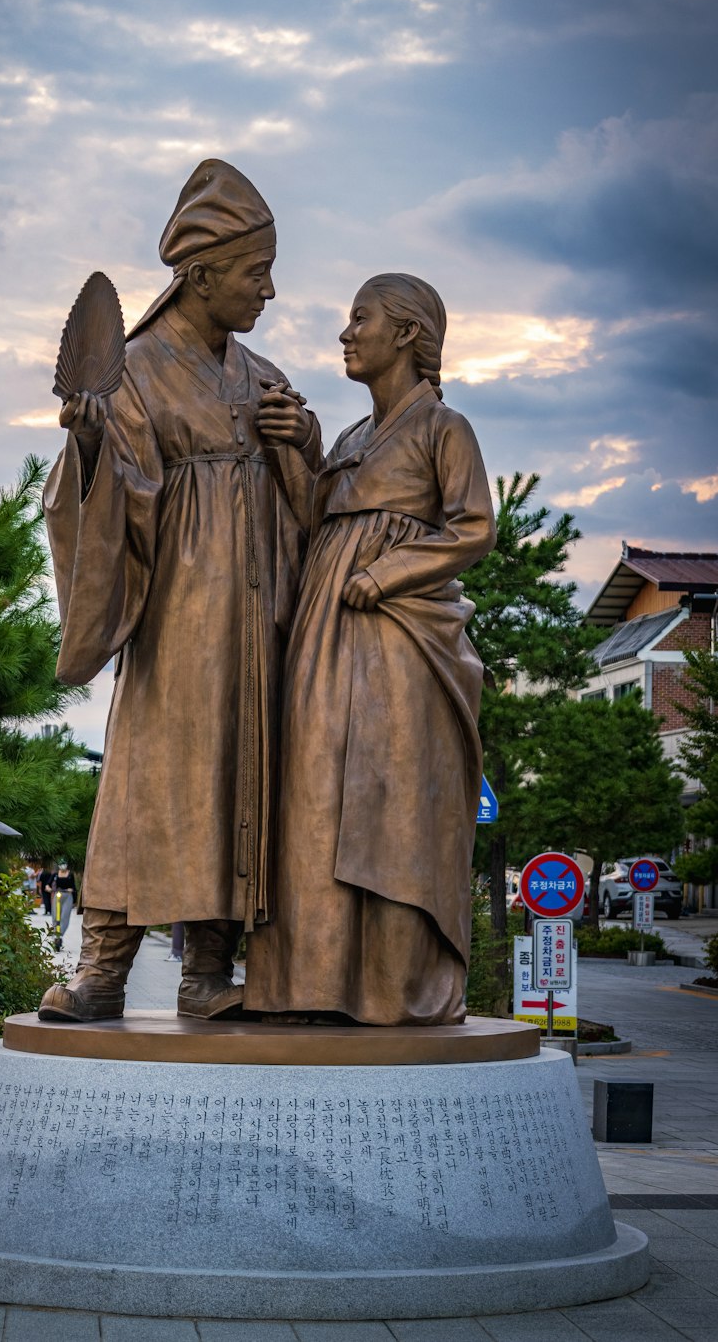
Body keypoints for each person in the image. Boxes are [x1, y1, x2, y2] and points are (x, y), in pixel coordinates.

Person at [39, 159, 317, 1022]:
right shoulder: (134, 373)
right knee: (147, 785)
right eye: (254, 272)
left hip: (256, 626)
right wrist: (90, 447)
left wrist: (300, 443)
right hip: (177, 624)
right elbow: (95, 503)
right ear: (199, 275)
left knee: (242, 783)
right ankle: (102, 972)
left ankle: (207, 974)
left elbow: (322, 510)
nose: (268, 290)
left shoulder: (265, 378)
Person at [245, 273, 496, 1025]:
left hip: (399, 639)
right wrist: (295, 450)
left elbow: (475, 526)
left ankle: (390, 988)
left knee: (387, 805)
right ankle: (314, 981)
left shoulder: (442, 427)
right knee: (314, 798)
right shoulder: (353, 438)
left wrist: (388, 571)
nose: (346, 332)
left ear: (410, 334)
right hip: (325, 635)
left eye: (361, 318)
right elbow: (313, 523)